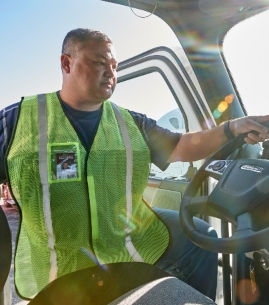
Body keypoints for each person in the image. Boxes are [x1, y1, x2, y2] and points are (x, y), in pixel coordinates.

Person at [0, 28, 269, 302]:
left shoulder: (131, 122)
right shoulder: (17, 122)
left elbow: (181, 145)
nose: (110, 72)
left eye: (114, 66)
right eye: (99, 62)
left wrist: (232, 128)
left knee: (199, 237)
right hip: (57, 268)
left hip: (127, 240)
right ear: (66, 63)